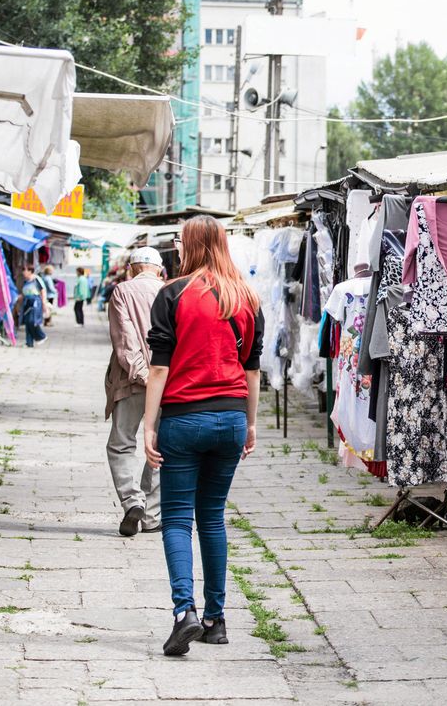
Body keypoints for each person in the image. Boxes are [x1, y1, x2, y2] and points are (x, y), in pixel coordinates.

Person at [143, 216, 263, 657]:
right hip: (231, 417)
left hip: (182, 419)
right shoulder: (247, 297)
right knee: (212, 517)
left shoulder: (172, 294)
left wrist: (149, 425)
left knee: (176, 519)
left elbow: (158, 368)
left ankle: (183, 613)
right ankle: (216, 619)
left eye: (180, 239)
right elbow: (251, 370)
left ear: (189, 245)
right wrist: (249, 423)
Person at [105, 248, 165, 537]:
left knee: (121, 444)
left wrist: (143, 376)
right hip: (168, 382)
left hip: (131, 382)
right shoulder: (172, 292)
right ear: (160, 270)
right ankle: (152, 516)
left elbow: (125, 342)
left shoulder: (122, 292)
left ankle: (132, 501)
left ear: (131, 269)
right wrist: (158, 379)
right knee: (160, 448)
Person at [19, 267, 48, 348]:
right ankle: (29, 342)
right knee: (27, 322)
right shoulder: (25, 281)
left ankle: (41, 336)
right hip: (27, 302)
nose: (23, 272)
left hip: (35, 302)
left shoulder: (36, 279)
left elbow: (43, 291)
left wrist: (44, 303)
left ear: (30, 271)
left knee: (32, 321)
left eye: (24, 270)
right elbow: (24, 292)